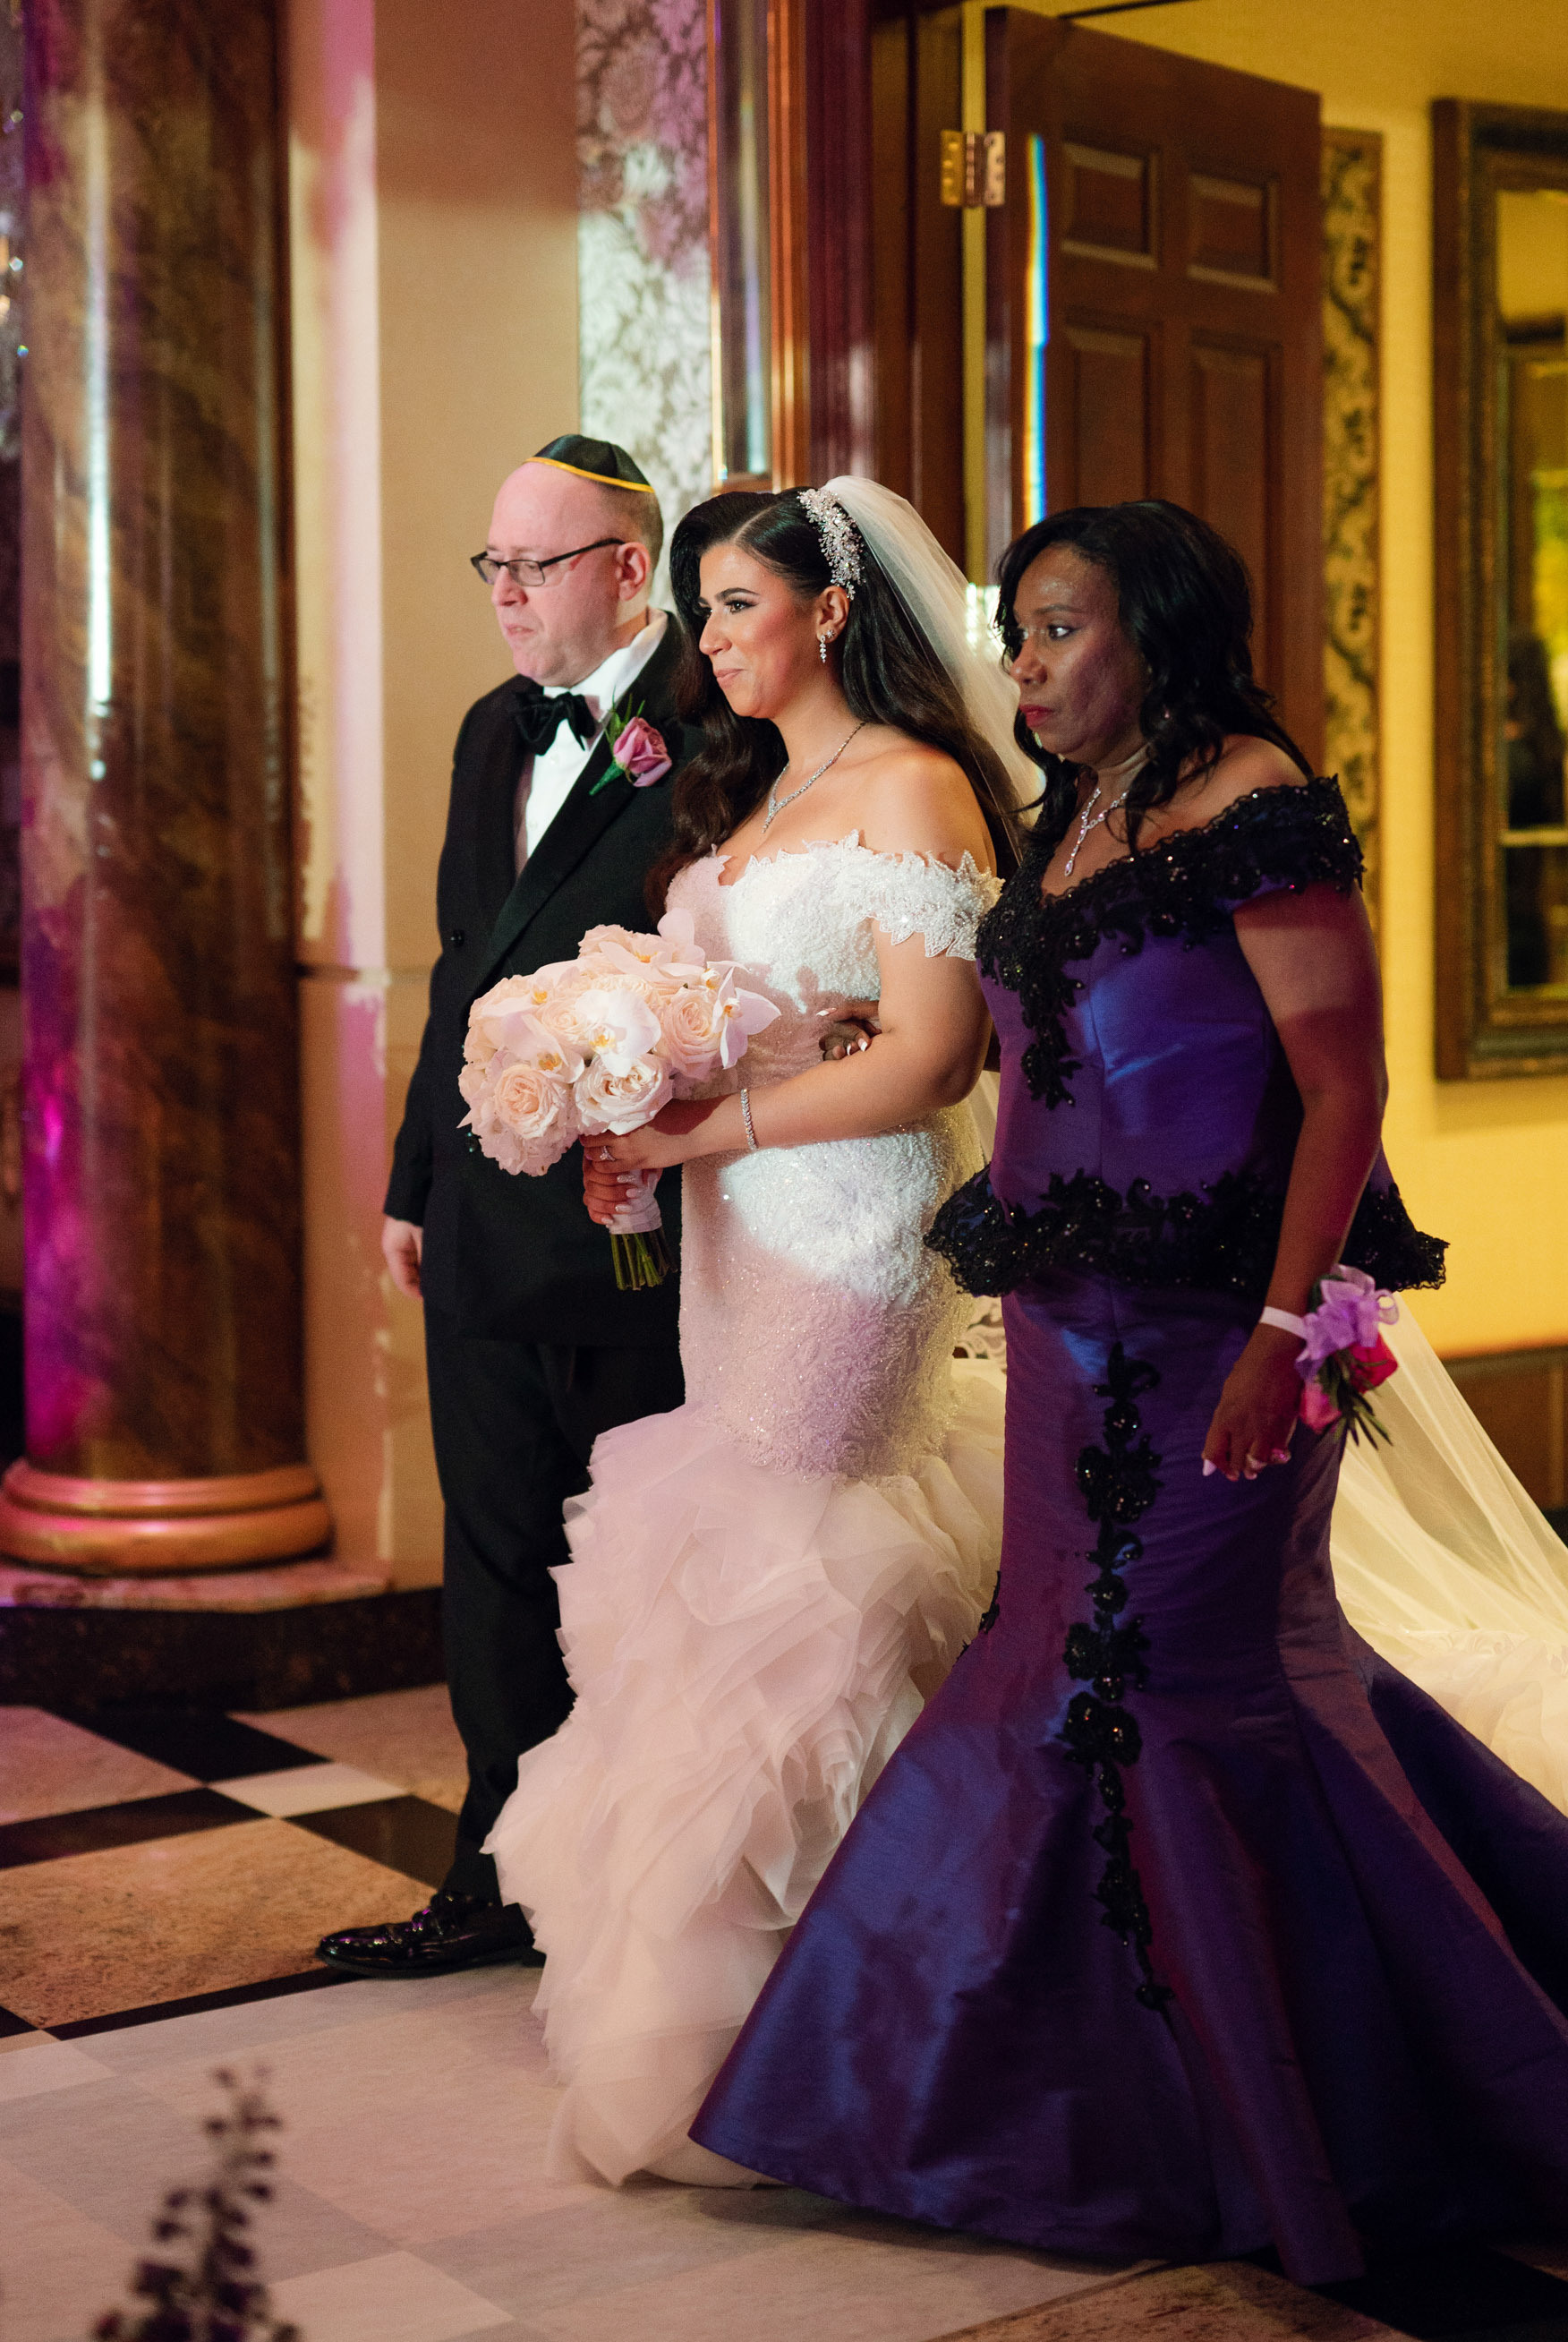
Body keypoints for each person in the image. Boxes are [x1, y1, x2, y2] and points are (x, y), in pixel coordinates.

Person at [692, 500, 1568, 2285]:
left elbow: (1339, 1103)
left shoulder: (1252, 806)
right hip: (1064, 1322)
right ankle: (1016, 2101)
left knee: (1191, 1693)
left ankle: (1375, 2115)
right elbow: (1017, 1049)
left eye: (1060, 632)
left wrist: (1288, 1339)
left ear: (1162, 628)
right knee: (1063, 1670)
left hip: (1224, 1328)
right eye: (1018, 632)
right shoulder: (1083, 808)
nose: (1027, 667)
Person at [486, 476, 1028, 2186]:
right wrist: (629, 1093)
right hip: (733, 1241)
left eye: (735, 605)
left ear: (830, 608)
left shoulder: (916, 787)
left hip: (857, 1244)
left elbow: (934, 1057)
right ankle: (759, 2027)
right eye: (704, 607)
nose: (709, 639)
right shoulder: (769, 791)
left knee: (820, 1580)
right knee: (740, 1570)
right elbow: (777, 1031)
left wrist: (702, 1128)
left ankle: (884, 2024)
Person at [318, 436, 696, 1980]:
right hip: (483, 1208)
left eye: (531, 567)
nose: (504, 599)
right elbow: (463, 967)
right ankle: (491, 1875)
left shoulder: (721, 722)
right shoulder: (493, 732)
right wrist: (415, 1178)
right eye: (492, 566)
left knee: (633, 1563)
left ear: (625, 568)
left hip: (636, 1224)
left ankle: (635, 1880)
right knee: (494, 1560)